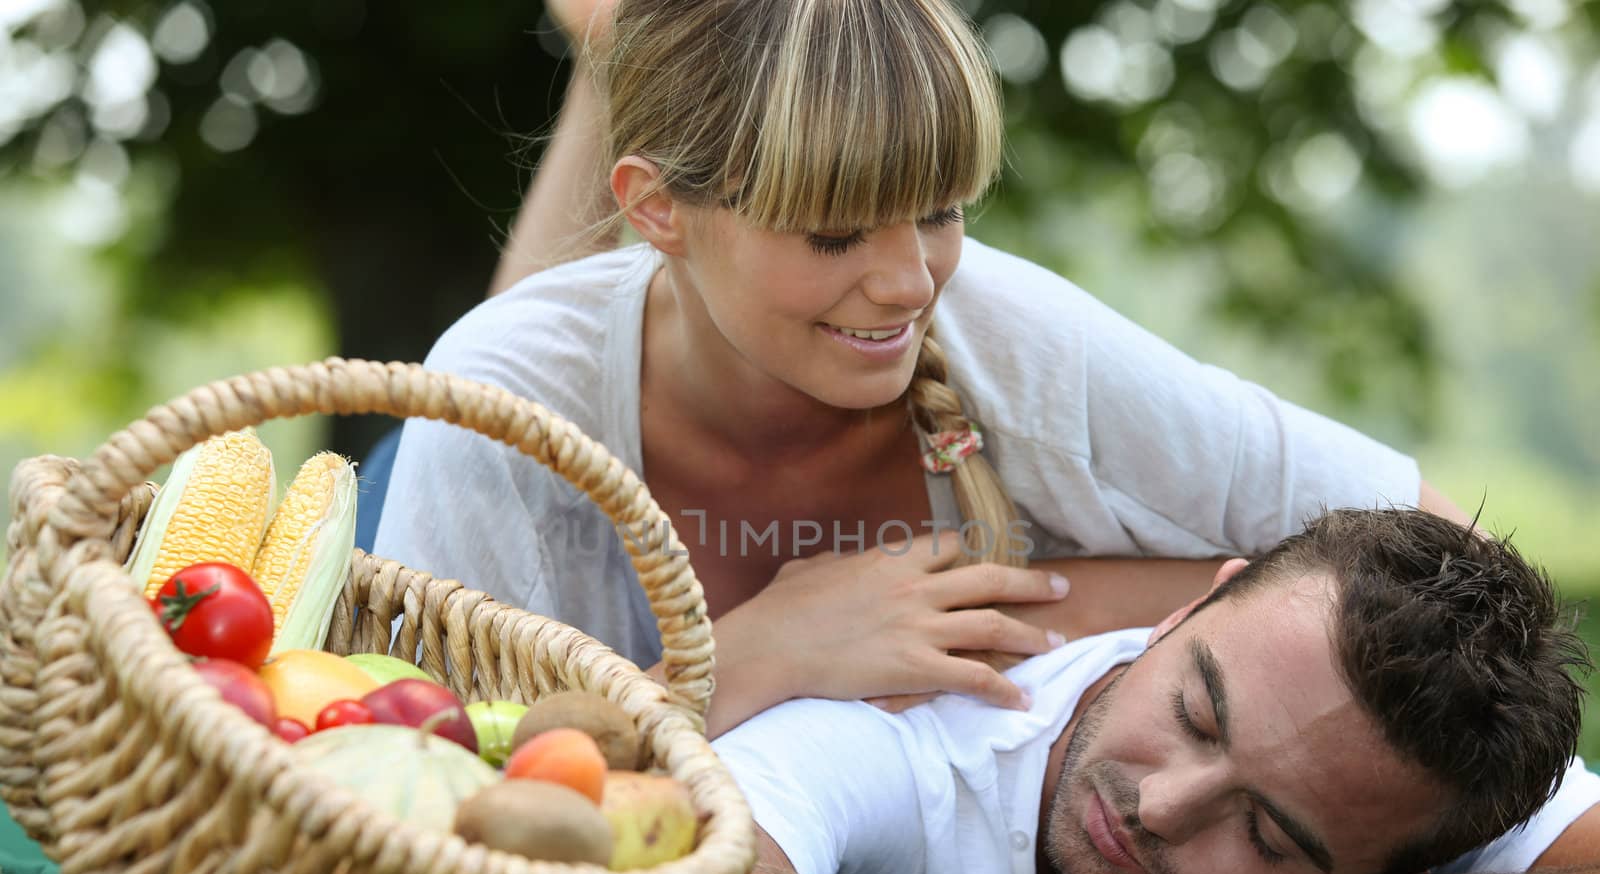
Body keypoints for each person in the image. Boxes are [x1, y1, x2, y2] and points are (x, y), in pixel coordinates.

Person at [374, 0, 1471, 738]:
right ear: (655, 208)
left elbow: (1448, 564)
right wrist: (762, 652)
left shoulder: (1024, 348)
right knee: (491, 371)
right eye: (837, 234)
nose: (910, 283)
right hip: (412, 472)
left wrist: (1045, 606)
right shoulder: (502, 394)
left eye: (941, 210)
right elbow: (434, 762)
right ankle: (607, 46)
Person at [679, 509, 1599, 874]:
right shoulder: (912, 729)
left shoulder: (1435, 766)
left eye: (1268, 837)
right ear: (1188, 608)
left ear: (1403, 865)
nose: (1161, 806)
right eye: (1196, 716)